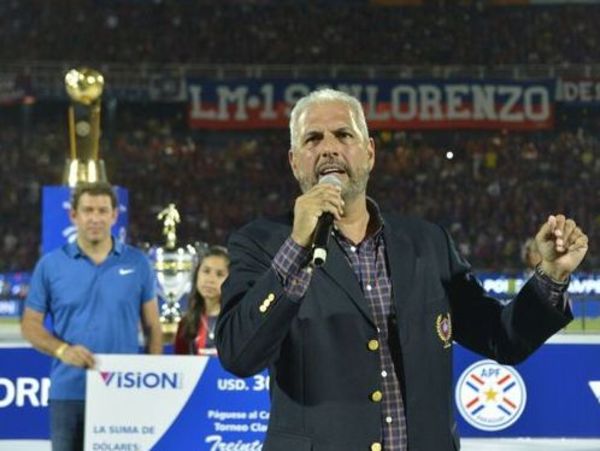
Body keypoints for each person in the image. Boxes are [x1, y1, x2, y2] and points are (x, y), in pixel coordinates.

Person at [215, 89, 589, 451]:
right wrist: (296, 247)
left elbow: (501, 337)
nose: (329, 147)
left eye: (344, 134)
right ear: (295, 161)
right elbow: (239, 354)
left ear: (369, 153)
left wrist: (551, 277)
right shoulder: (261, 243)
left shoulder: (427, 243)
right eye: (313, 139)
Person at [21, 181, 163, 451]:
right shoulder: (51, 265)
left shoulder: (138, 263)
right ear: (73, 215)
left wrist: (150, 377)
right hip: (69, 392)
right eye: (88, 210)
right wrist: (62, 350)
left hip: (123, 390)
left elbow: (153, 327)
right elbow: (30, 325)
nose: (95, 218)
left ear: (114, 215)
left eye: (102, 210)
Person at [174, 245, 229, 355]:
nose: (210, 280)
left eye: (219, 274)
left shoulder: (238, 321)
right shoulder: (185, 324)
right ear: (197, 274)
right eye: (206, 271)